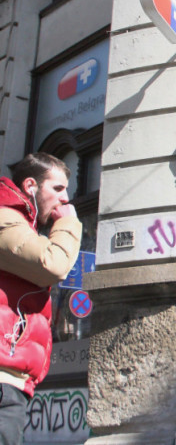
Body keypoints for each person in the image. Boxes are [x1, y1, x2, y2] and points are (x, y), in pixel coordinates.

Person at [0, 153, 82, 444]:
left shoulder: (20, 223)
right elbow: (53, 264)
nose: (65, 199)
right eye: (57, 189)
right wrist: (69, 224)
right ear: (30, 186)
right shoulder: (5, 219)